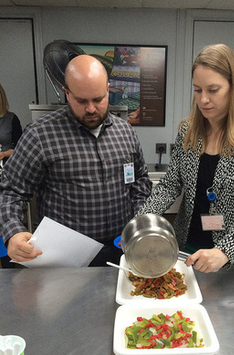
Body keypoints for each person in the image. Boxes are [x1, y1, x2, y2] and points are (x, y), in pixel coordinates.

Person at [0, 55, 152, 266]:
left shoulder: (125, 132)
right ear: (67, 93)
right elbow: (11, 191)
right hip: (66, 257)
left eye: (98, 99)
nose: (91, 108)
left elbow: (140, 181)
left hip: (122, 250)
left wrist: (140, 220)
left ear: (108, 90)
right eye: (81, 100)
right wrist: (13, 232)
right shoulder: (40, 135)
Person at [138, 44, 234, 273]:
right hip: (190, 247)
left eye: (213, 90)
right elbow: (170, 184)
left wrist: (225, 251)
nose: (203, 100)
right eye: (197, 90)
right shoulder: (188, 131)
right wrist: (142, 219)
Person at [0, 82, 22, 268]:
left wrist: (4, 153)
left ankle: (7, 264)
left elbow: (19, 148)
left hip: (5, 171)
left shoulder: (11, 119)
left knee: (4, 220)